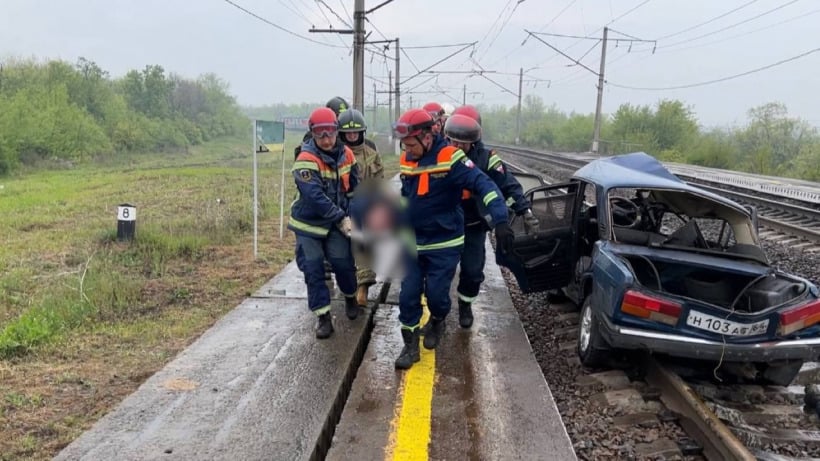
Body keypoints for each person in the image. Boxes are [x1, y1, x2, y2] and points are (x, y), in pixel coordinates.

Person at [392, 108, 514, 370]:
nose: (408, 150)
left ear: (426, 137)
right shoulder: (408, 158)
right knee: (408, 293)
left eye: (412, 144)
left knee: (437, 294)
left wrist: (501, 220)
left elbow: (485, 185)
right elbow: (406, 193)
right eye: (405, 145)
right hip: (412, 240)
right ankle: (410, 345)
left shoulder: (451, 157)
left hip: (444, 241)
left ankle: (438, 319)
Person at [444, 108, 541, 329]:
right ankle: (437, 313)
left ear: (474, 138)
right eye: (454, 141)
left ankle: (465, 303)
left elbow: (508, 185)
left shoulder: (487, 159)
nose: (457, 147)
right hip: (445, 225)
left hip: (473, 225)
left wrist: (525, 211)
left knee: (473, 271)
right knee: (439, 271)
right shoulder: (439, 156)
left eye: (463, 142)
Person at [289, 107, 361, 339]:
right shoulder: (305, 161)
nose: (326, 139)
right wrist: (341, 218)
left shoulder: (347, 155)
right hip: (310, 225)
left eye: (330, 133)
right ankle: (323, 317)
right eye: (320, 134)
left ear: (336, 131)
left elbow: (354, 188)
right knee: (313, 266)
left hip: (336, 224)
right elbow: (316, 198)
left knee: (343, 263)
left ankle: (350, 297)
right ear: (312, 134)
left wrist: (356, 215)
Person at [338, 108, 385, 308]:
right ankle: (349, 286)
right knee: (343, 252)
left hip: (365, 207)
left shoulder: (371, 154)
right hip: (342, 209)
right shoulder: (337, 154)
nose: (352, 136)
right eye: (348, 133)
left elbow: (379, 182)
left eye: (355, 132)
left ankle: (363, 289)